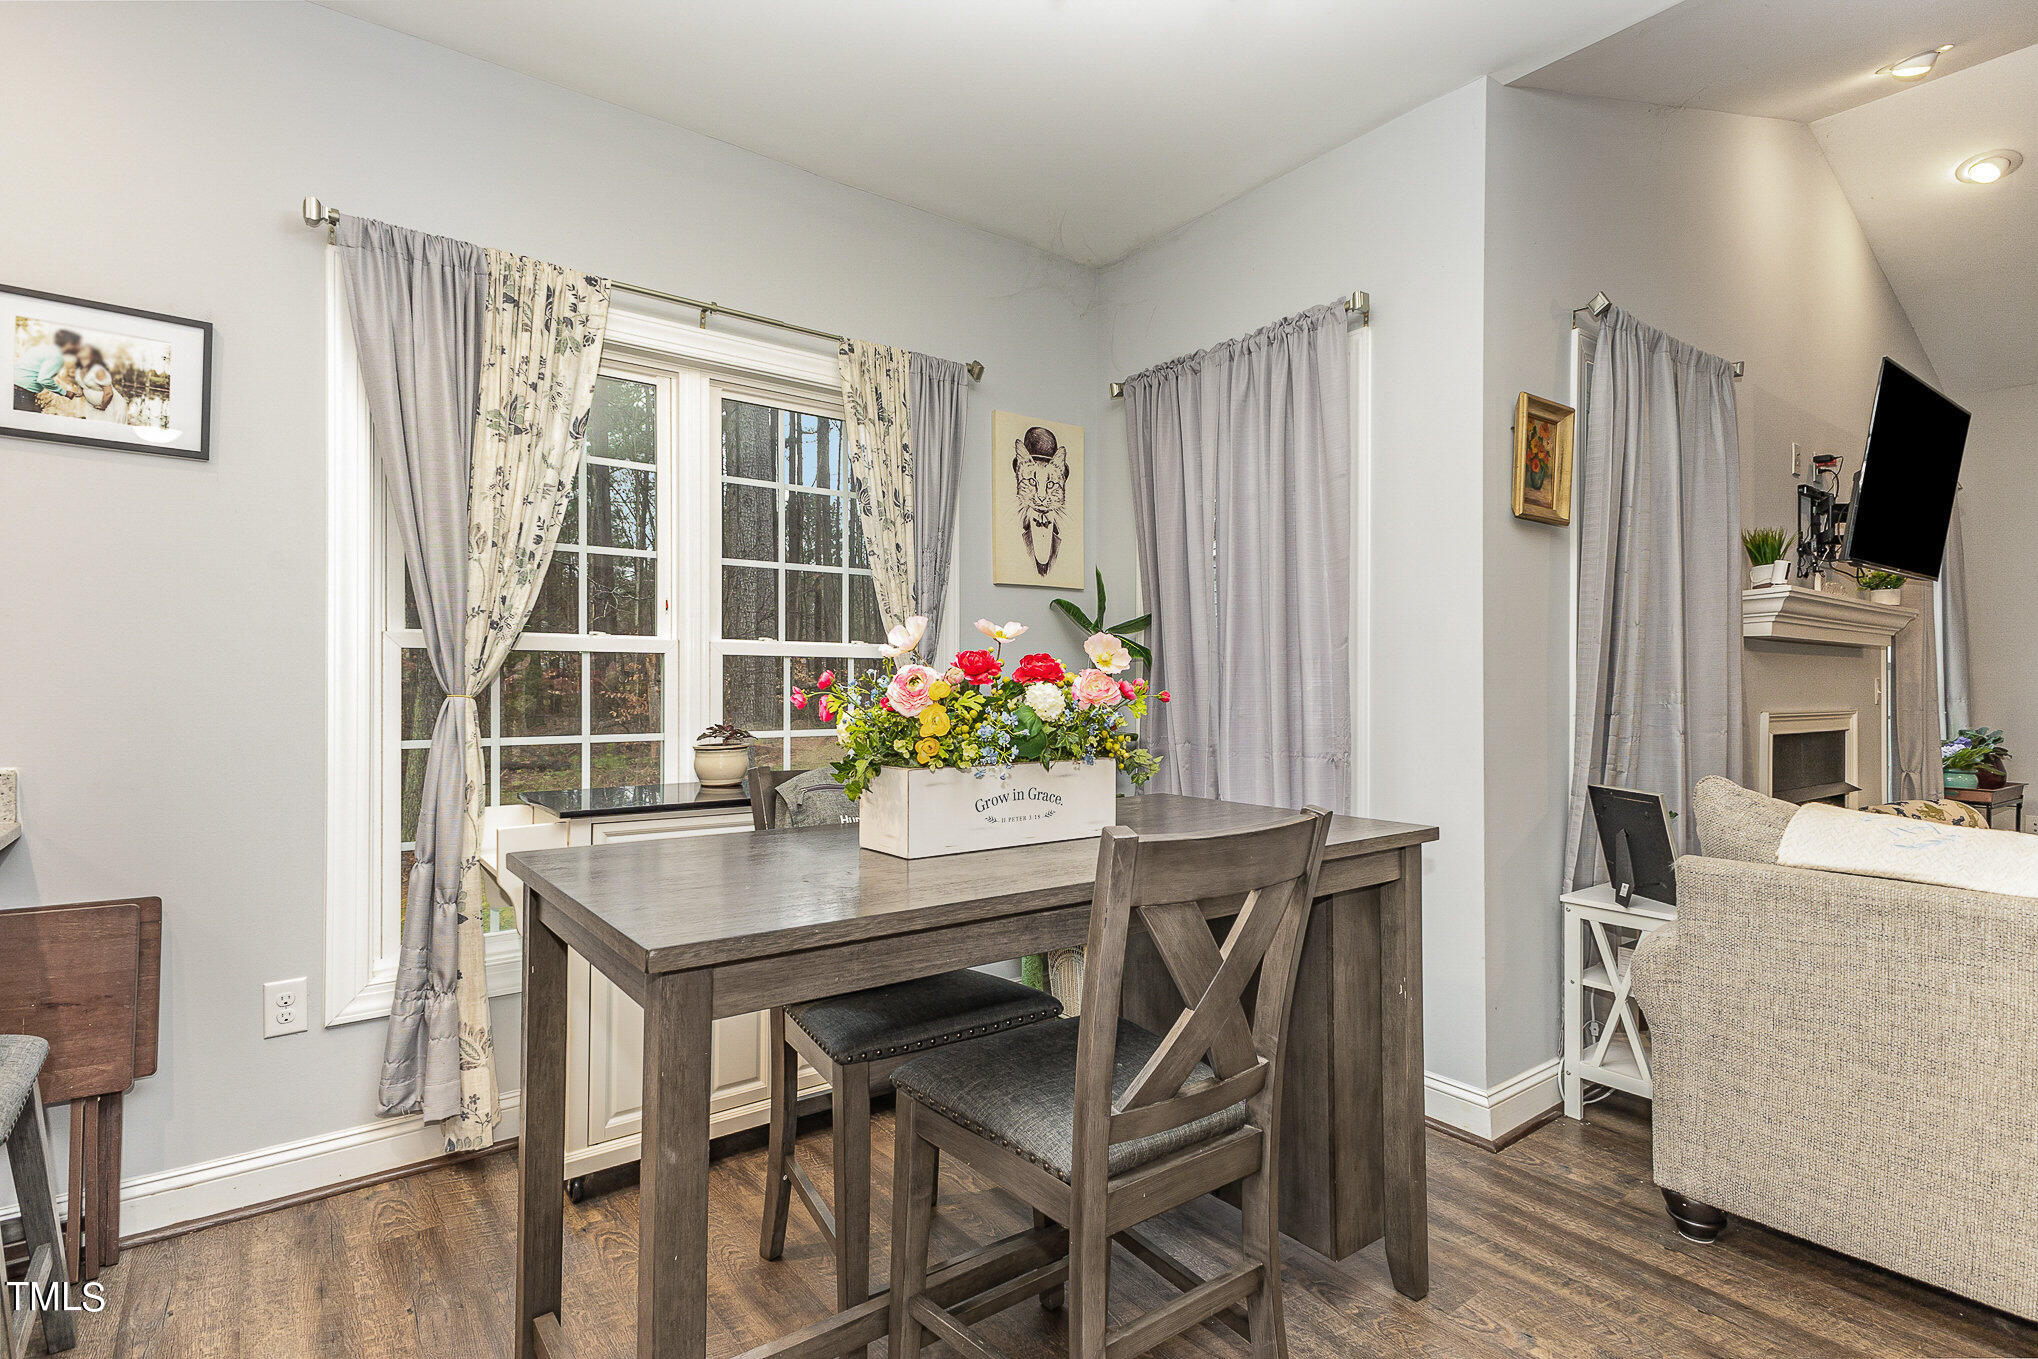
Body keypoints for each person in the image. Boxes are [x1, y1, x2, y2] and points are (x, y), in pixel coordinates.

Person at [13, 328, 81, 412]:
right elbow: (44, 379)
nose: (78, 348)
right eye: (77, 344)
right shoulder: (57, 356)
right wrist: (65, 392)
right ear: (69, 344)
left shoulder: (41, 348)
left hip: (12, 388)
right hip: (22, 394)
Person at [73, 346, 127, 424]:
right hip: (92, 407)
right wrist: (80, 392)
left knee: (107, 431)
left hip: (109, 406)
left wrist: (102, 406)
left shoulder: (99, 371)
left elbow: (109, 393)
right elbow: (81, 383)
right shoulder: (79, 369)